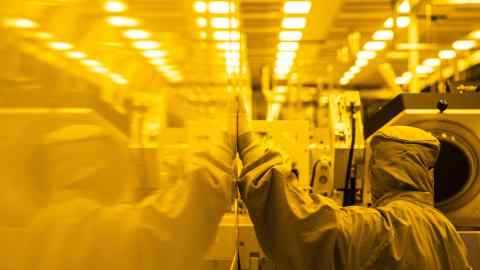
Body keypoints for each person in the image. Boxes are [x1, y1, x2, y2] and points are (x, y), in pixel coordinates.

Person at [235, 97, 472, 270]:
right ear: (428, 172)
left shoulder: (382, 230)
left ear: (378, 170)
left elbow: (301, 224)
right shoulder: (445, 231)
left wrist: (249, 146)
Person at [14, 124, 235, 270]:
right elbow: (179, 218)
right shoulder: (94, 224)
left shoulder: (42, 225)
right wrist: (225, 147)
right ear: (100, 169)